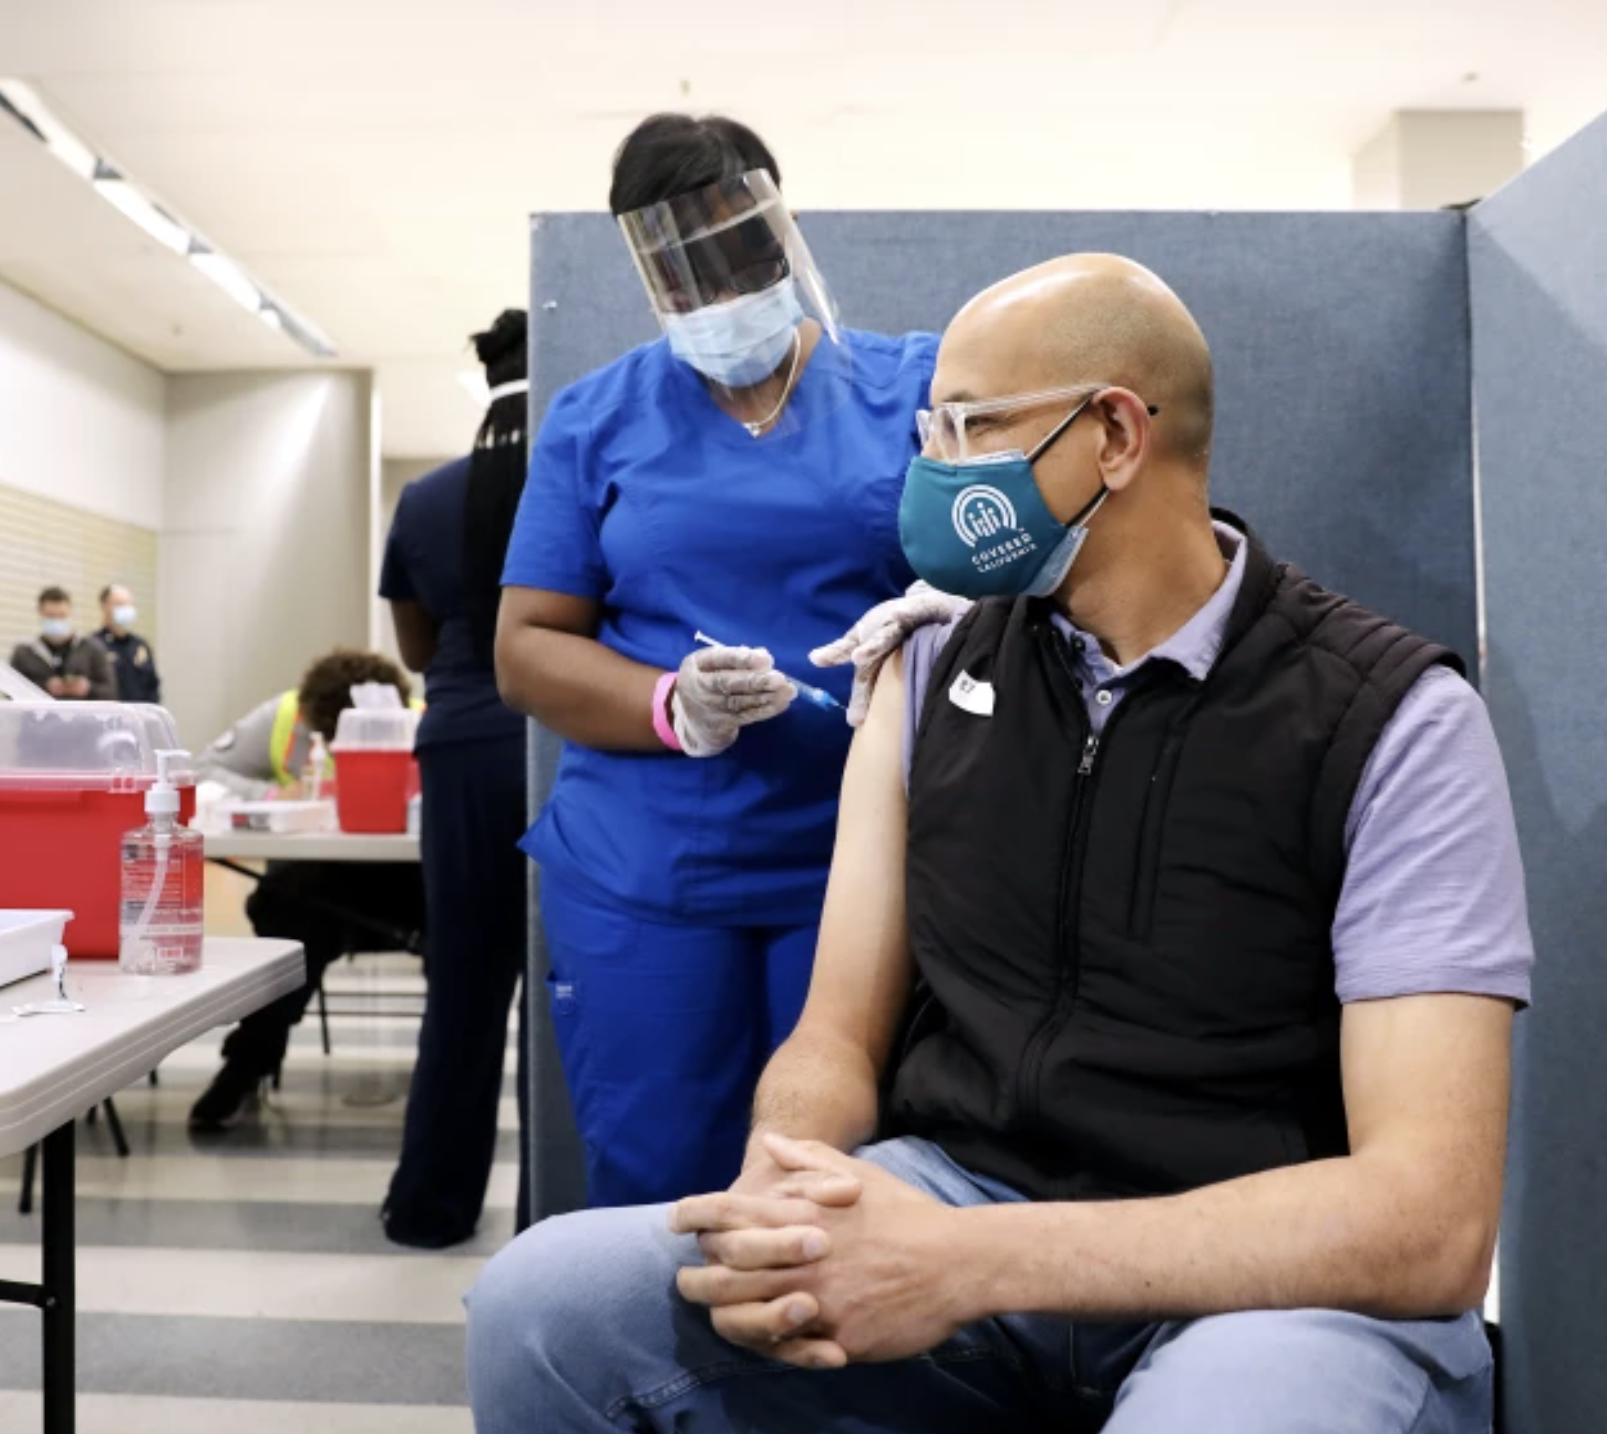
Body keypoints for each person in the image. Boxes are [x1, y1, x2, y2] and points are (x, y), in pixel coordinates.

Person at [467, 255, 1533, 1433]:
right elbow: (833, 1035)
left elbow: (1427, 1222)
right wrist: (790, 1177)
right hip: (959, 1192)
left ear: (1115, 435)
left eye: (967, 430)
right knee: (540, 1305)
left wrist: (970, 1263)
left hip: (1264, 1267)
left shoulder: (1393, 723)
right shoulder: (929, 670)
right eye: (929, 433)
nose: (929, 474)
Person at [496, 114, 938, 1208]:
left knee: (833, 1184)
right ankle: (657, 1385)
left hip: (857, 857)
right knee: (661, 1178)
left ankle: (820, 1387)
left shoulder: (909, 387)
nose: (719, 294)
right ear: (649, 276)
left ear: (783, 235)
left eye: (740, 256)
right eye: (685, 276)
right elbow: (526, 648)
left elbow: (1008, 579)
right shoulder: (596, 419)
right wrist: (667, 704)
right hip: (649, 866)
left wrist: (941, 609)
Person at [374, 311, 532, 1248]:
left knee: (465, 990)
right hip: (568, 747)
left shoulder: (429, 499)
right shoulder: (580, 481)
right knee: (572, 991)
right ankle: (559, 1211)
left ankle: (430, 1208)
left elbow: (417, 650)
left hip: (464, 745)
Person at [188, 647, 424, 1132]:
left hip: (404, 880)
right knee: (288, 924)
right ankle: (247, 1064)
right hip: (314, 885)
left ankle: (444, 1072)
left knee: (458, 924)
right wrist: (273, 796)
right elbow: (204, 770)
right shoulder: (282, 717)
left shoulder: (421, 721)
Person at [11, 586, 118, 701]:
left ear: (70, 612)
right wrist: (45, 687)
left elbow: (111, 692)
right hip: (38, 718)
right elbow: (10, 693)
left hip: (81, 718)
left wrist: (88, 688)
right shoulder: (24, 653)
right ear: (40, 613)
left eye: (62, 616)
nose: (56, 621)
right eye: (50, 616)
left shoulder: (93, 649)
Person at [95, 583, 161, 706]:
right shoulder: (93, 645)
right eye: (120, 605)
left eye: (129, 605)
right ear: (104, 607)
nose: (126, 610)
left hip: (139, 720)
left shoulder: (141, 646)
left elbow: (153, 687)